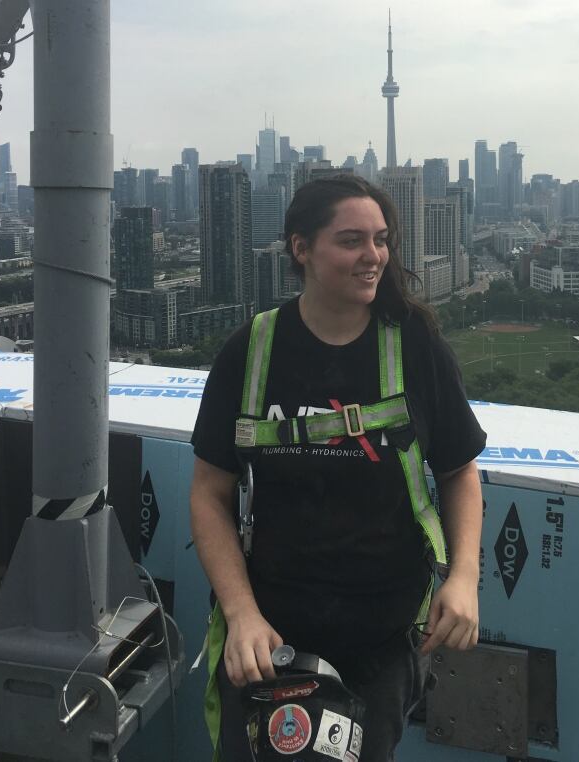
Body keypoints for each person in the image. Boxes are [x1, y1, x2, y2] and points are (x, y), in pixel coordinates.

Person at [190, 174, 486, 761]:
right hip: (270, 633)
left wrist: (464, 578)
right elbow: (208, 493)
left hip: (380, 636)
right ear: (301, 248)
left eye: (380, 239)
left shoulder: (413, 346)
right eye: (351, 240)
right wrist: (241, 614)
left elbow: (458, 472)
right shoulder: (252, 351)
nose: (373, 256)